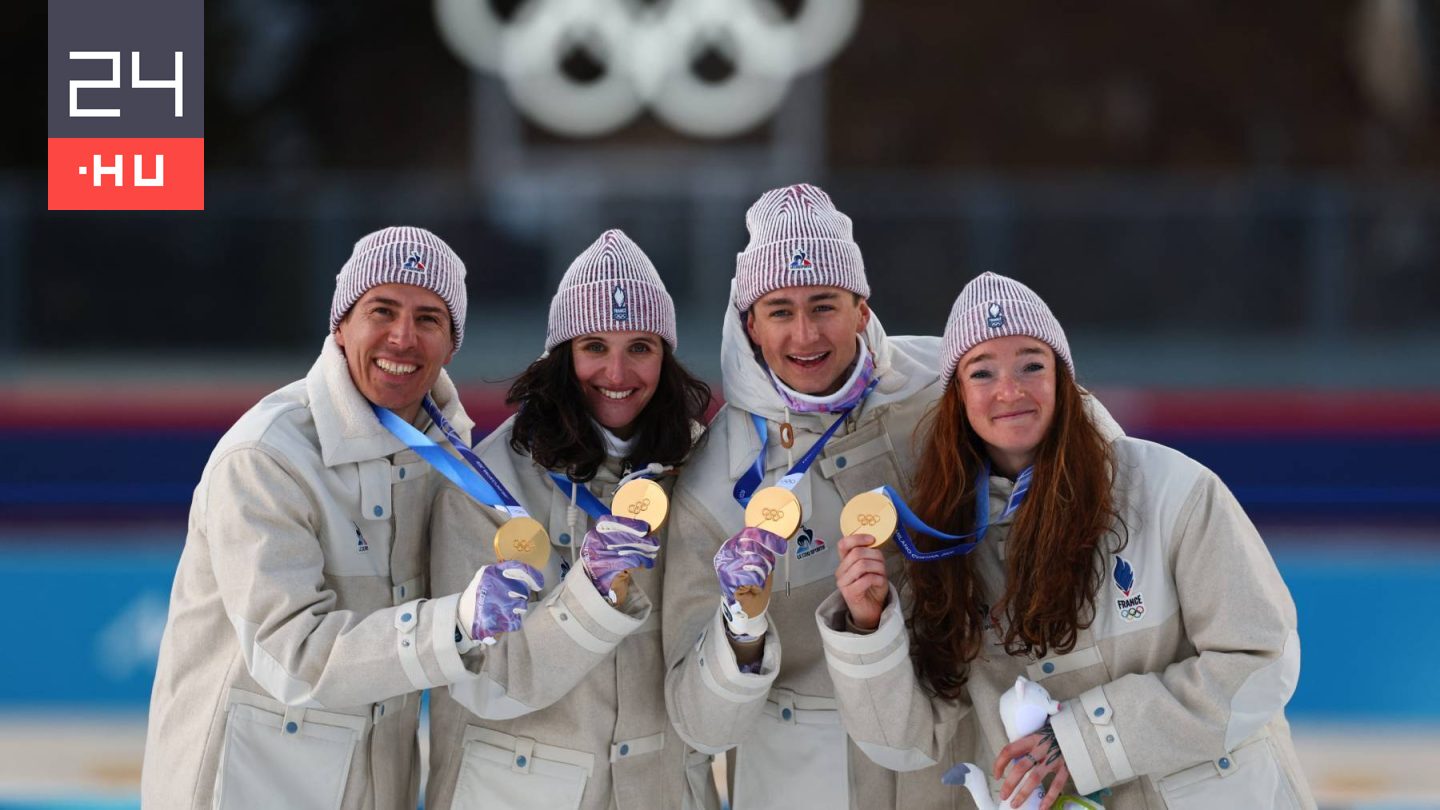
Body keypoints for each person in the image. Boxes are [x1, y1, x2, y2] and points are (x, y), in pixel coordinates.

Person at [819, 272, 1315, 809]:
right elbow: (904, 745)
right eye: (982, 372)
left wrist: (1084, 742)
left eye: (1032, 364)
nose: (1010, 390)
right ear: (957, 397)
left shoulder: (1173, 489)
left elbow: (1262, 660)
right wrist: (868, 628)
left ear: (1064, 378)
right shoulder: (935, 540)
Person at [142, 226, 548, 809]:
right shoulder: (265, 456)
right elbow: (293, 656)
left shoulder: (453, 463)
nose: (403, 337)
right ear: (341, 324)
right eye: (381, 310)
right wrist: (455, 621)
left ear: (451, 344)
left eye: (429, 318)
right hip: (242, 789)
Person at [662, 183, 963, 808]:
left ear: (862, 308)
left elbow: (1078, 438)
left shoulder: (951, 389)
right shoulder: (713, 476)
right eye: (780, 310)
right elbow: (698, 723)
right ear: (751, 323)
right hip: (796, 779)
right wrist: (740, 627)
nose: (805, 334)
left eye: (824, 304)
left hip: (952, 764)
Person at [425, 229, 719, 809]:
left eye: (640, 346)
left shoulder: (702, 466)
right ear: (562, 355)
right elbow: (483, 680)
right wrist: (591, 592)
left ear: (666, 356)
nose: (617, 371)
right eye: (594, 346)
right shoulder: (485, 484)